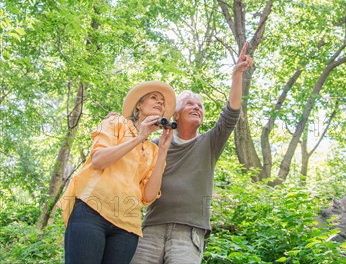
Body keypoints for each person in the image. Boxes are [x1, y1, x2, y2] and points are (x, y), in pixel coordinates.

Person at [130, 41, 253, 264]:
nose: (197, 107)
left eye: (200, 106)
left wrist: (237, 75)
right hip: (151, 229)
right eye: (190, 104)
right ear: (176, 114)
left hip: (188, 233)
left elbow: (231, 114)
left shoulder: (210, 143)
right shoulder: (156, 145)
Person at [58, 80, 176, 264]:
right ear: (139, 105)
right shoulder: (116, 122)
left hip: (127, 227)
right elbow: (98, 160)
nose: (160, 103)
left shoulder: (153, 150)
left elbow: (149, 195)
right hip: (92, 211)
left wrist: (162, 151)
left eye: (163, 102)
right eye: (154, 97)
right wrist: (139, 138)